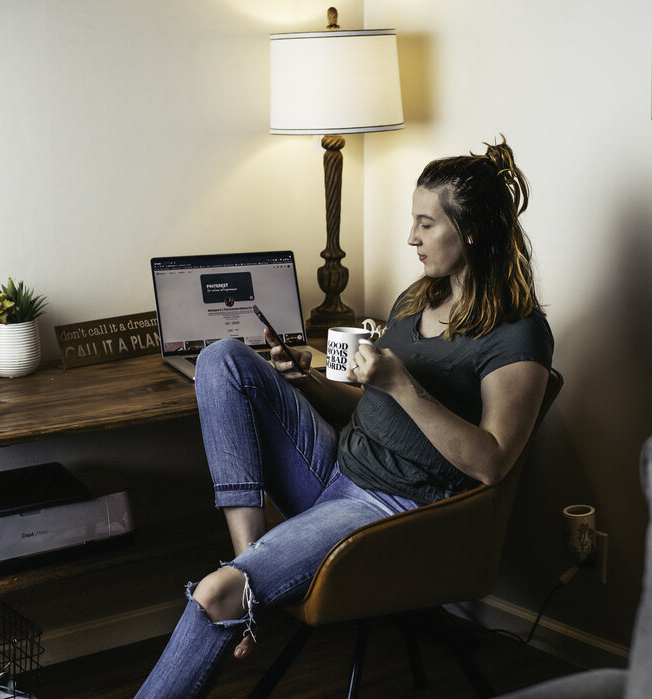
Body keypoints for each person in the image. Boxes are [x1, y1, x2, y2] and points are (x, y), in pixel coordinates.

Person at [135, 137, 554, 698]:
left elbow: (493, 462)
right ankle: (249, 564)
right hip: (335, 465)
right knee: (221, 359)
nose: (411, 237)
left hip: (393, 509)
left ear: (472, 230)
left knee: (212, 595)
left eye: (426, 224)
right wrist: (305, 381)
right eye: (413, 221)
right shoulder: (417, 298)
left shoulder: (518, 333)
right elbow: (373, 412)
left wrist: (401, 384)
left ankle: (240, 590)